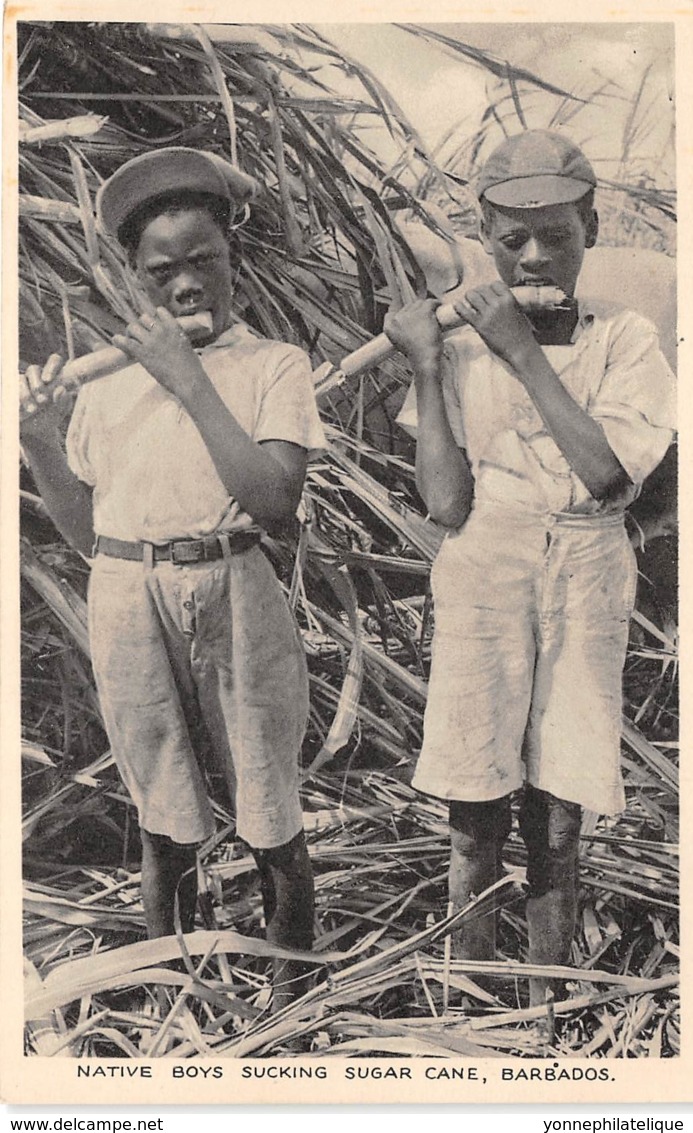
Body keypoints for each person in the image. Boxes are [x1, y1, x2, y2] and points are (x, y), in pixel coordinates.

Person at [20, 147, 326, 1010]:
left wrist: (189, 378)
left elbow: (271, 501)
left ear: (232, 260)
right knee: (162, 805)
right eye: (164, 271)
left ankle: (291, 992)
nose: (187, 285)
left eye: (205, 263)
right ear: (132, 278)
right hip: (126, 594)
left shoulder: (273, 366)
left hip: (234, 585)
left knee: (268, 796)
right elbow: (88, 533)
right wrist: (41, 441)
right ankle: (175, 992)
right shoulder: (104, 386)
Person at [389, 130, 676, 1010]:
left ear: (589, 226)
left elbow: (607, 475)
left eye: (556, 233)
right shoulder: (461, 342)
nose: (535, 254)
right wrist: (431, 361)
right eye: (511, 239)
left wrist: (516, 348)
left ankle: (550, 1001)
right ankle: (466, 999)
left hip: (585, 564)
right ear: (484, 237)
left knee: (557, 807)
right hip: (485, 564)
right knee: (474, 801)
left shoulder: (624, 339)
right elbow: (443, 502)